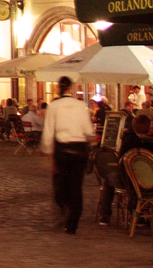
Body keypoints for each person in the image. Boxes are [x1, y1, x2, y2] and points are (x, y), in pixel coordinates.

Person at [41, 76, 97, 234]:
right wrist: (91, 140)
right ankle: (72, 222)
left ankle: (65, 209)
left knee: (61, 185)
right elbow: (88, 130)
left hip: (63, 150)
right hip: (79, 150)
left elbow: (48, 130)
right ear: (71, 88)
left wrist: (46, 149)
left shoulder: (54, 106)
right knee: (76, 187)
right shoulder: (81, 106)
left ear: (59, 88)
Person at [96, 113, 153, 225]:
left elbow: (120, 160)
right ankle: (139, 213)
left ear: (134, 125)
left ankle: (105, 215)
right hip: (150, 182)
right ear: (149, 126)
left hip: (127, 180)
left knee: (108, 179)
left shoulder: (129, 141)